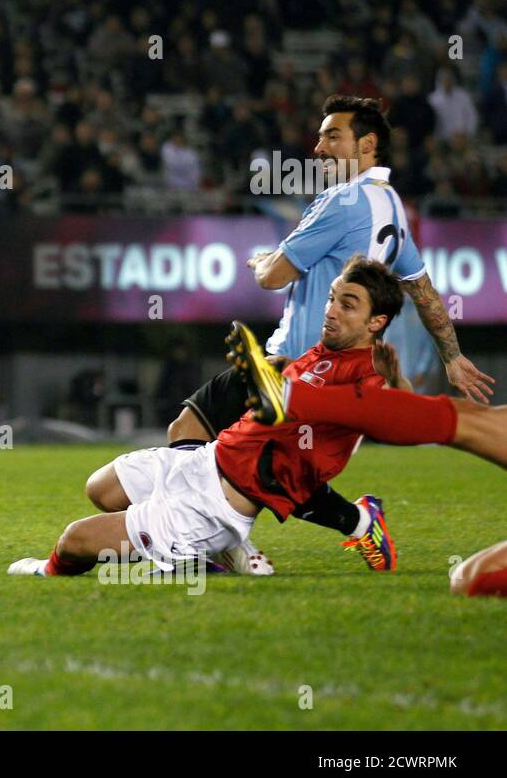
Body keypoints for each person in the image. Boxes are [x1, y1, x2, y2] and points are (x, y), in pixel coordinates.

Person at [165, 95, 494, 573]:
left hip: (291, 363)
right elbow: (421, 288)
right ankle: (358, 523)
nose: (318, 148)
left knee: (196, 437)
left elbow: (274, 276)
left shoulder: (344, 199)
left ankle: (219, 544)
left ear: (367, 144)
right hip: (342, 373)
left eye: (332, 136)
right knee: (286, 473)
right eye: (320, 136)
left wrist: (261, 261)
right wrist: (452, 354)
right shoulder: (393, 208)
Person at [8, 255, 413, 580]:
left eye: (348, 304)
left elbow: (403, 421)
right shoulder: (327, 352)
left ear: (376, 322)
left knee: (74, 540)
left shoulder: (369, 373)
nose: (331, 311)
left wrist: (394, 382)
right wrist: (278, 370)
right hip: (204, 460)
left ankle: (54, 570)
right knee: (101, 488)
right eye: (331, 298)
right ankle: (193, 550)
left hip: (216, 505)